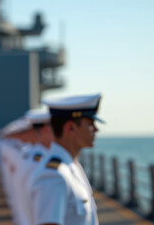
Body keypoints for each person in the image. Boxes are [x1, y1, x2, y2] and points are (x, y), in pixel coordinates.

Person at [27, 93, 103, 225]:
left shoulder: (71, 166)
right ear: (70, 128)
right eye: (90, 123)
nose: (96, 129)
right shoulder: (53, 175)